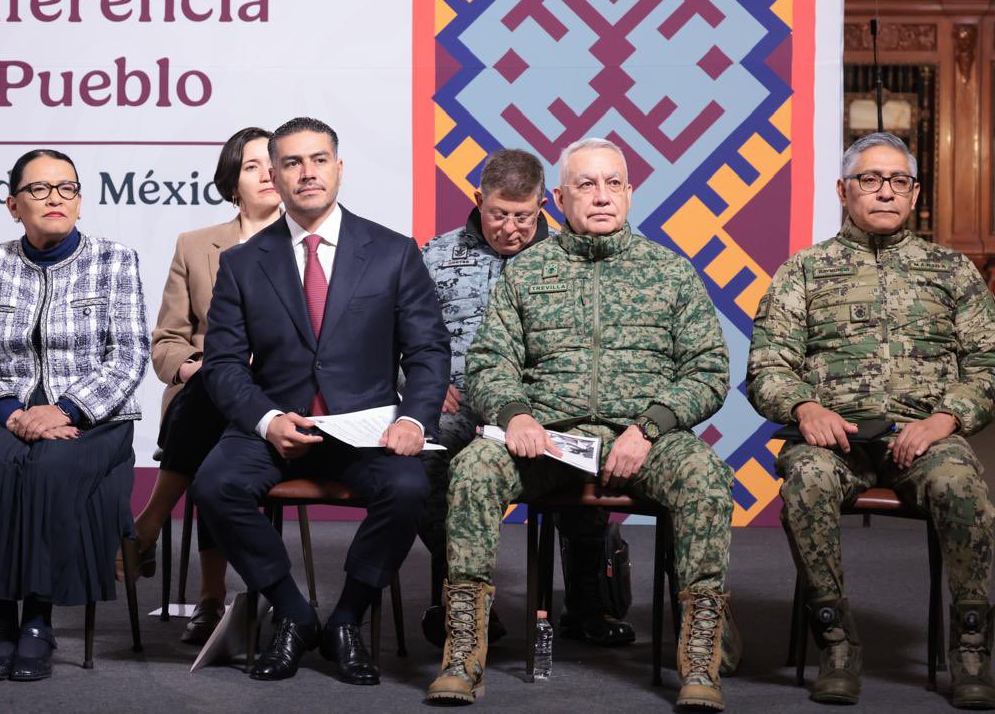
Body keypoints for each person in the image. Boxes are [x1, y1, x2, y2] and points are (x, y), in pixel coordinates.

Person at [426, 137, 738, 710]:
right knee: (471, 468)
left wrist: (648, 428)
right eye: (586, 185)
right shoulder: (527, 272)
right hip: (547, 439)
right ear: (560, 199)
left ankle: (699, 662)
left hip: (643, 438)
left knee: (706, 477)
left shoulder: (669, 271)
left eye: (613, 183)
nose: (601, 196)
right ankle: (463, 653)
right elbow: (490, 362)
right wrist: (515, 414)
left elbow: (709, 369)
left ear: (629, 193)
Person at [190, 116, 450, 685]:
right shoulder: (241, 263)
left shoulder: (393, 251)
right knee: (214, 485)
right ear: (274, 178)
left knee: (410, 489)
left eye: (318, 160)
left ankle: (348, 618)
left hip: (367, 428)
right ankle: (293, 611)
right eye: (291, 163)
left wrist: (412, 419)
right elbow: (225, 365)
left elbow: (428, 349)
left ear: (338, 168)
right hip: (279, 425)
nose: (307, 173)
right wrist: (265, 420)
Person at [747, 131, 995, 709]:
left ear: (914, 194)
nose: (885, 191)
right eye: (870, 179)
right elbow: (767, 366)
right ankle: (836, 641)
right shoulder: (803, 272)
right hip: (836, 439)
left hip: (925, 437)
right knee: (804, 483)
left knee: (963, 486)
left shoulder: (951, 272)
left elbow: (987, 361)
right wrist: (804, 408)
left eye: (899, 181)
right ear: (843, 189)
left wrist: (946, 418)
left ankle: (971, 646)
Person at [418, 148, 634, 647]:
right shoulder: (436, 256)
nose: (510, 229)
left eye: (523, 215)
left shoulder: (569, 256)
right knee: (423, 468)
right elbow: (400, 333)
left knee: (584, 458)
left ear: (544, 205)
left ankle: (587, 605)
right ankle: (465, 601)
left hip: (545, 408)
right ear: (478, 201)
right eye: (498, 214)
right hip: (457, 406)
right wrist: (425, 384)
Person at [0, 149, 149, 682]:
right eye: (38, 190)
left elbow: (128, 356)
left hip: (94, 420)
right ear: (14, 205)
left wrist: (63, 409)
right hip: (9, 416)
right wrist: (14, 414)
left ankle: (36, 619)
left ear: (80, 202)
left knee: (49, 468)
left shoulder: (115, 260)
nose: (54, 198)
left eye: (66, 188)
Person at [117, 125, 282, 645]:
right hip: (206, 399)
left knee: (224, 398)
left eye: (273, 163)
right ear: (233, 182)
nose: (267, 174)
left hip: (281, 397)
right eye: (252, 166)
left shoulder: (309, 245)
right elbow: (166, 342)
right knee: (218, 397)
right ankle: (210, 597)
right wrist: (201, 368)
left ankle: (150, 522)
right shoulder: (195, 247)